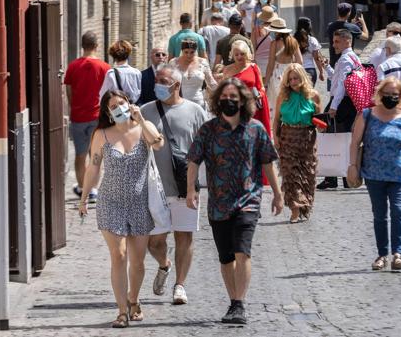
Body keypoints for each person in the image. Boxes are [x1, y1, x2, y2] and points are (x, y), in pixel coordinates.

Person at [186, 78, 283, 325]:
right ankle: (233, 301)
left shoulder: (256, 129)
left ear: (242, 101)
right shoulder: (208, 130)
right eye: (224, 97)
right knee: (226, 257)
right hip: (218, 202)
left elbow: (267, 162)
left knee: (243, 251)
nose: (229, 101)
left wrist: (278, 193)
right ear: (218, 101)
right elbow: (194, 161)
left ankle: (239, 303)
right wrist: (191, 189)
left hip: (248, 199)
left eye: (233, 97)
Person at [78, 90, 165, 328]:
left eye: (122, 103)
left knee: (137, 262)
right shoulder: (102, 134)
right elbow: (93, 168)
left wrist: (141, 120)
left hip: (140, 203)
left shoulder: (142, 128)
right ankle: (121, 311)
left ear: (130, 104)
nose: (118, 108)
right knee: (119, 256)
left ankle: (133, 300)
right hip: (110, 202)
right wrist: (84, 198)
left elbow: (158, 144)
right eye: (112, 106)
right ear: (107, 111)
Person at [141, 65, 208, 305]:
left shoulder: (195, 111)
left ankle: (180, 285)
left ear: (176, 85)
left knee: (184, 237)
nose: (157, 84)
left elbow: (205, 147)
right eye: (157, 80)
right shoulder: (145, 111)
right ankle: (164, 264)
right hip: (153, 188)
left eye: (163, 81)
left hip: (185, 186)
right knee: (154, 241)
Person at [349, 77, 401, 271]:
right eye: (387, 95)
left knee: (398, 211)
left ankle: (397, 254)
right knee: (379, 215)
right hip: (374, 174)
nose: (391, 98)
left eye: (395, 95)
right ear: (380, 95)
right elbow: (355, 142)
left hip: (400, 174)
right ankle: (381, 255)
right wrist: (352, 165)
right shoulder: (366, 115)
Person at [64, 31, 110, 202]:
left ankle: (83, 188)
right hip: (97, 116)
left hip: (78, 116)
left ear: (82, 45)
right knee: (96, 155)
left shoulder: (73, 66)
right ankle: (93, 190)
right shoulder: (105, 67)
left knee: (80, 155)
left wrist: (73, 106)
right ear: (97, 45)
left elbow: (68, 90)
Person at [273, 63, 322, 223]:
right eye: (290, 79)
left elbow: (319, 119)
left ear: (302, 78)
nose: (293, 82)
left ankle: (305, 204)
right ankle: (294, 208)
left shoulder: (313, 95)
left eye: (296, 78)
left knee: (307, 173)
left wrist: (322, 125)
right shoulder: (283, 96)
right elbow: (276, 120)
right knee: (290, 175)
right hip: (287, 136)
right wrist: (276, 137)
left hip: (307, 138)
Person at [317, 29, 359, 190]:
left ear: (347, 41)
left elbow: (342, 84)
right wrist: (327, 68)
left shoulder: (347, 59)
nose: (333, 45)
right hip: (345, 103)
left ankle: (333, 177)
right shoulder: (352, 58)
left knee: (332, 138)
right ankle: (341, 177)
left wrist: (334, 106)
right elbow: (337, 79)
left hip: (341, 103)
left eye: (337, 42)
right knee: (342, 138)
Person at [219, 40, 272, 138]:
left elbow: (262, 87)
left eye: (242, 54)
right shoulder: (227, 69)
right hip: (234, 107)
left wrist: (259, 94)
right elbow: (222, 89)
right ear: (232, 56)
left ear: (247, 54)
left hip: (252, 108)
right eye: (236, 54)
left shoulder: (253, 67)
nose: (239, 57)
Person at [265, 18, 303, 121]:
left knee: (277, 101)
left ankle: (278, 124)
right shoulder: (293, 42)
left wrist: (266, 82)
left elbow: (270, 64)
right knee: (290, 99)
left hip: (277, 74)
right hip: (291, 73)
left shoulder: (274, 43)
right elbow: (300, 61)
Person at [170, 39, 217, 109]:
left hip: (198, 103)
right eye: (186, 52)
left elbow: (211, 82)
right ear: (182, 51)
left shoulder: (203, 62)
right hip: (180, 103)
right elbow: (168, 83)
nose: (189, 55)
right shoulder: (174, 62)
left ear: (196, 51)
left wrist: (223, 91)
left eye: (192, 52)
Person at [326, 3, 369, 68]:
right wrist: (363, 22)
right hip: (347, 62)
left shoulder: (330, 26)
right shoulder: (352, 27)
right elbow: (366, 37)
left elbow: (342, 26)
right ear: (349, 13)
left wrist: (351, 24)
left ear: (338, 12)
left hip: (334, 62)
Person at [100, 40, 142, 104]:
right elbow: (138, 93)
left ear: (113, 56)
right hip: (133, 108)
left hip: (117, 109)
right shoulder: (137, 73)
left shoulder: (111, 74)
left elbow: (102, 96)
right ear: (128, 54)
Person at [293, 17, 325, 86]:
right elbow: (317, 58)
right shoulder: (312, 40)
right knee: (309, 95)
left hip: (296, 71)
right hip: (310, 71)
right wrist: (321, 72)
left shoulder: (292, 40)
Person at [251, 6, 277, 75]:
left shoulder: (255, 30)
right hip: (273, 62)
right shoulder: (277, 31)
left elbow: (252, 48)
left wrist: (253, 61)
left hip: (259, 62)